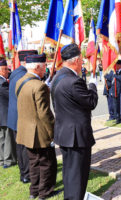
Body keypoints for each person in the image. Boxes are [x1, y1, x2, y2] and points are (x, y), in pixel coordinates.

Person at [50, 44, 98, 200]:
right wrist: (93, 84)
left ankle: (70, 197)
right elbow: (91, 102)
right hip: (76, 136)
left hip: (65, 133)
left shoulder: (57, 76)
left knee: (70, 173)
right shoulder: (73, 81)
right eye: (82, 60)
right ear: (76, 60)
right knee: (78, 175)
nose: (82, 63)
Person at [15, 53, 58, 200]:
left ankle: (34, 191)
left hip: (25, 130)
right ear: (38, 67)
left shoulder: (20, 81)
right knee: (46, 163)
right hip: (39, 131)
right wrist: (53, 131)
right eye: (44, 66)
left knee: (33, 162)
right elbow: (44, 113)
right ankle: (45, 192)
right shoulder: (39, 86)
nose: (45, 68)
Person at [7, 50, 38, 184]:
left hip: (15, 117)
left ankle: (24, 173)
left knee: (21, 149)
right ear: (27, 61)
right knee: (24, 149)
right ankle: (27, 175)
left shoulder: (16, 73)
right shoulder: (22, 75)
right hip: (21, 117)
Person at [0, 59, 17, 169]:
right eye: (4, 69)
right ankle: (9, 160)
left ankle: (2, 159)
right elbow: (11, 96)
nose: (6, 71)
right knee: (8, 138)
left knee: (2, 138)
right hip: (5, 114)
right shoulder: (2, 83)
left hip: (1, 114)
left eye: (6, 69)